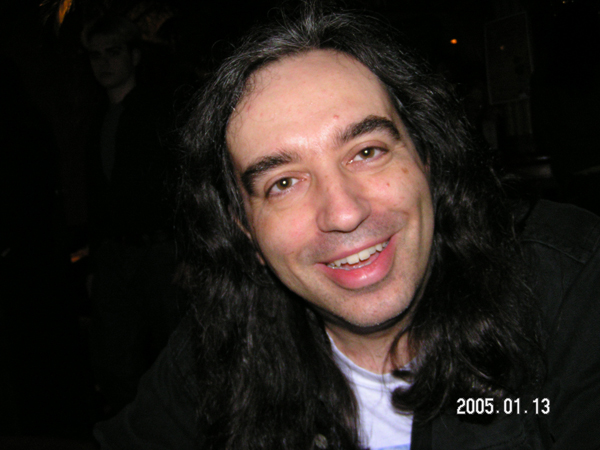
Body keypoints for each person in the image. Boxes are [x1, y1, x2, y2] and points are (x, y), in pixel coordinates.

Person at [94, 4, 600, 449]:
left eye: (367, 152)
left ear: (426, 157)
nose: (343, 213)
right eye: (283, 183)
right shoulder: (220, 346)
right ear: (245, 230)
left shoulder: (567, 283)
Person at [82, 15, 181, 416]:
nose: (104, 63)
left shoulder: (158, 111)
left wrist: (190, 252)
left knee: (174, 355)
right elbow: (98, 198)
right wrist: (96, 261)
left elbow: (182, 182)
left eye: (113, 52)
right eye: (95, 55)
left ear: (133, 56)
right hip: (116, 255)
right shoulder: (96, 121)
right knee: (117, 360)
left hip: (161, 252)